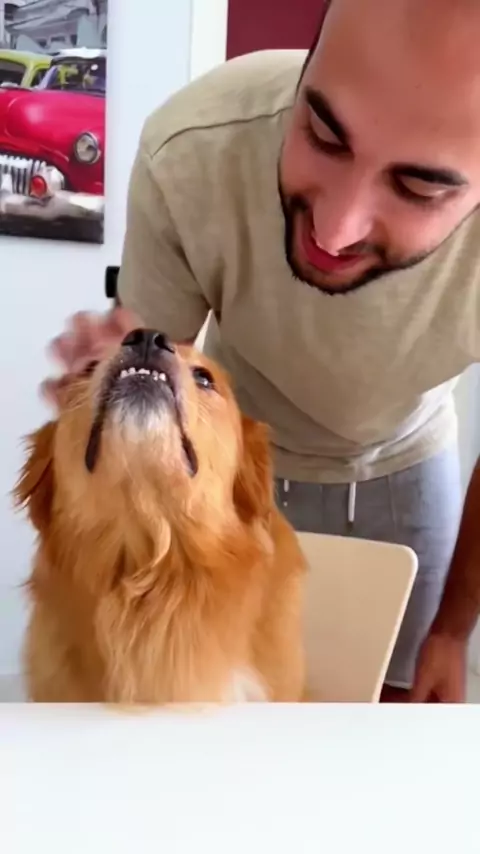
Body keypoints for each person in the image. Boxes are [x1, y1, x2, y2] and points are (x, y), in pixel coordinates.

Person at [43, 0, 480, 701]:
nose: (334, 231)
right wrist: (115, 386)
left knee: (394, 702)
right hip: (235, 469)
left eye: (418, 186)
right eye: (322, 134)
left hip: (407, 461)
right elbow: (160, 364)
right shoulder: (190, 149)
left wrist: (453, 630)